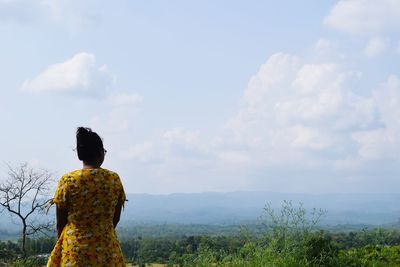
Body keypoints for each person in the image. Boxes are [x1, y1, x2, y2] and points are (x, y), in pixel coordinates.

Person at [47, 127, 126, 267]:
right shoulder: (113, 179)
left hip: (74, 251)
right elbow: (115, 218)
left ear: (80, 154)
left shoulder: (68, 180)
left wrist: (65, 245)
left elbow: (60, 223)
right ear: (100, 153)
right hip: (107, 250)